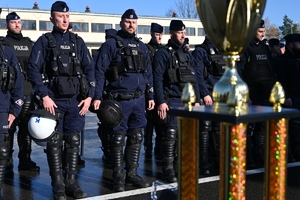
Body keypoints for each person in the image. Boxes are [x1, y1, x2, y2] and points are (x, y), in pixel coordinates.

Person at [26, 1, 95, 199]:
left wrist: (89, 96)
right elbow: (33, 69)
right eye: (60, 16)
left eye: (67, 16)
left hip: (75, 101)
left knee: (73, 141)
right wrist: (44, 95)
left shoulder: (77, 41)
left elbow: (90, 69)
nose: (65, 20)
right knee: (55, 143)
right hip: (53, 101)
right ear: (51, 19)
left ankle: (71, 184)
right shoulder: (44, 41)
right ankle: (58, 187)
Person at [92, 9, 155, 192]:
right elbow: (100, 71)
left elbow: (148, 74)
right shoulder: (111, 44)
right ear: (121, 23)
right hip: (119, 101)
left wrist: (150, 96)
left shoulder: (141, 46)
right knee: (118, 138)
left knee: (136, 137)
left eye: (134, 22)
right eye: (127, 21)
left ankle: (132, 174)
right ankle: (118, 176)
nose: (131, 25)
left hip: (139, 100)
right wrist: (97, 96)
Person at [152, 19, 201, 183]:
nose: (183, 35)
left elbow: (195, 79)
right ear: (172, 33)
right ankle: (168, 168)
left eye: (184, 32)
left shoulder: (188, 54)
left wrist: (198, 100)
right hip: (171, 99)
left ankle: (181, 166)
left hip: (188, 102)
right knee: (170, 135)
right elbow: (157, 78)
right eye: (180, 33)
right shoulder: (163, 53)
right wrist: (160, 101)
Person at [0, 12, 40, 172]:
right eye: (13, 22)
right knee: (8, 130)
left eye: (19, 22)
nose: (17, 25)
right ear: (6, 25)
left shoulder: (30, 43)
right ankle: (6, 161)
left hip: (28, 92)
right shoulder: (3, 44)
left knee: (26, 131)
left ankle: (25, 160)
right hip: (9, 95)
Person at [239, 19, 276, 167]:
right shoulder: (245, 48)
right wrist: (245, 95)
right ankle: (248, 158)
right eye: (260, 31)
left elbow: (271, 70)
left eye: (263, 31)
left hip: (265, 93)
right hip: (251, 95)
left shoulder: (265, 48)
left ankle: (259, 155)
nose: (263, 34)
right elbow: (239, 73)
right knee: (249, 127)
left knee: (262, 126)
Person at [192, 35, 225, 174]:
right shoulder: (201, 51)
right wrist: (204, 94)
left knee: (218, 129)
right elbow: (198, 75)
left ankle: (218, 159)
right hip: (209, 94)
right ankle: (203, 163)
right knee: (205, 129)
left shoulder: (223, 50)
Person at [0, 37, 24, 200]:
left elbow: (18, 81)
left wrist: (15, 109)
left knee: (1, 151)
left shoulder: (6, 51)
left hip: (2, 109)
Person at [273, 34, 300, 161]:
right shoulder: (282, 61)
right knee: (291, 127)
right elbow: (280, 81)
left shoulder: (298, 59)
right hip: (291, 98)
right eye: (298, 43)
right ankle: (290, 154)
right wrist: (287, 96)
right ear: (291, 44)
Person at [94, 28, 117, 162]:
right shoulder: (100, 53)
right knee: (105, 124)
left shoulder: (118, 52)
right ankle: (106, 149)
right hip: (103, 93)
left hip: (114, 93)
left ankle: (112, 150)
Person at [144, 22, 164, 157]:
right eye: (157, 34)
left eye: (161, 34)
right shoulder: (146, 49)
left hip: (161, 91)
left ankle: (159, 147)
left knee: (161, 123)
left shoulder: (163, 50)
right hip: (149, 91)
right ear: (152, 34)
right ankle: (148, 148)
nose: (159, 37)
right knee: (149, 124)